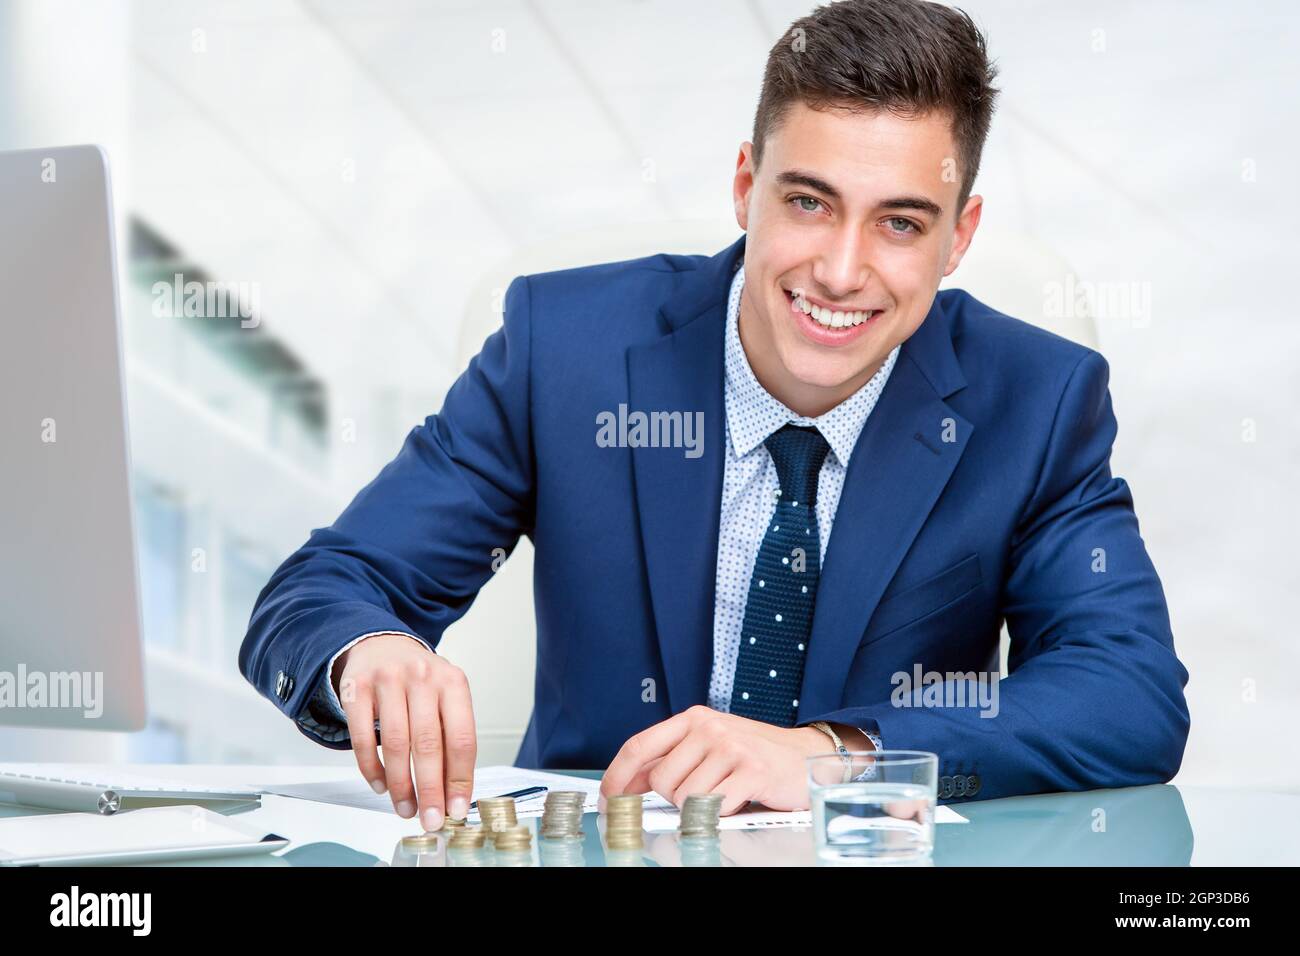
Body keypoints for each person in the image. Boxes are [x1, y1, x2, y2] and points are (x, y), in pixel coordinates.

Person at [239, 0, 1190, 833]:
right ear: (745, 186)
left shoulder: (1037, 399)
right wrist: (369, 651)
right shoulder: (564, 352)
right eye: (810, 202)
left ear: (960, 238)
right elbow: (321, 589)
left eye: (900, 222)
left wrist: (833, 751)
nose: (842, 270)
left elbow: (1128, 694)